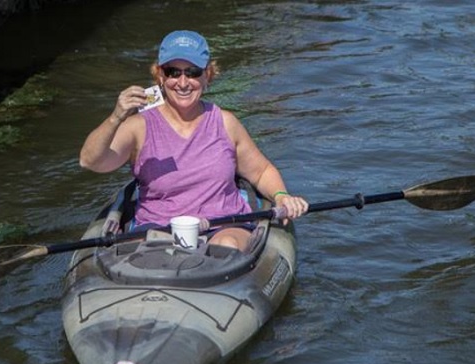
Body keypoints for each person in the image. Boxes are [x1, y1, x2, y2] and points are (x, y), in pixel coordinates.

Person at [79, 30, 309, 251]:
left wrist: (281, 196)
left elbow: (261, 172)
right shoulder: (138, 126)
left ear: (207, 75)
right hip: (159, 229)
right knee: (148, 262)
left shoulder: (225, 122)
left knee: (226, 246)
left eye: (192, 72)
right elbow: (91, 162)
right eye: (173, 72)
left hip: (224, 225)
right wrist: (116, 116)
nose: (183, 82)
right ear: (160, 75)